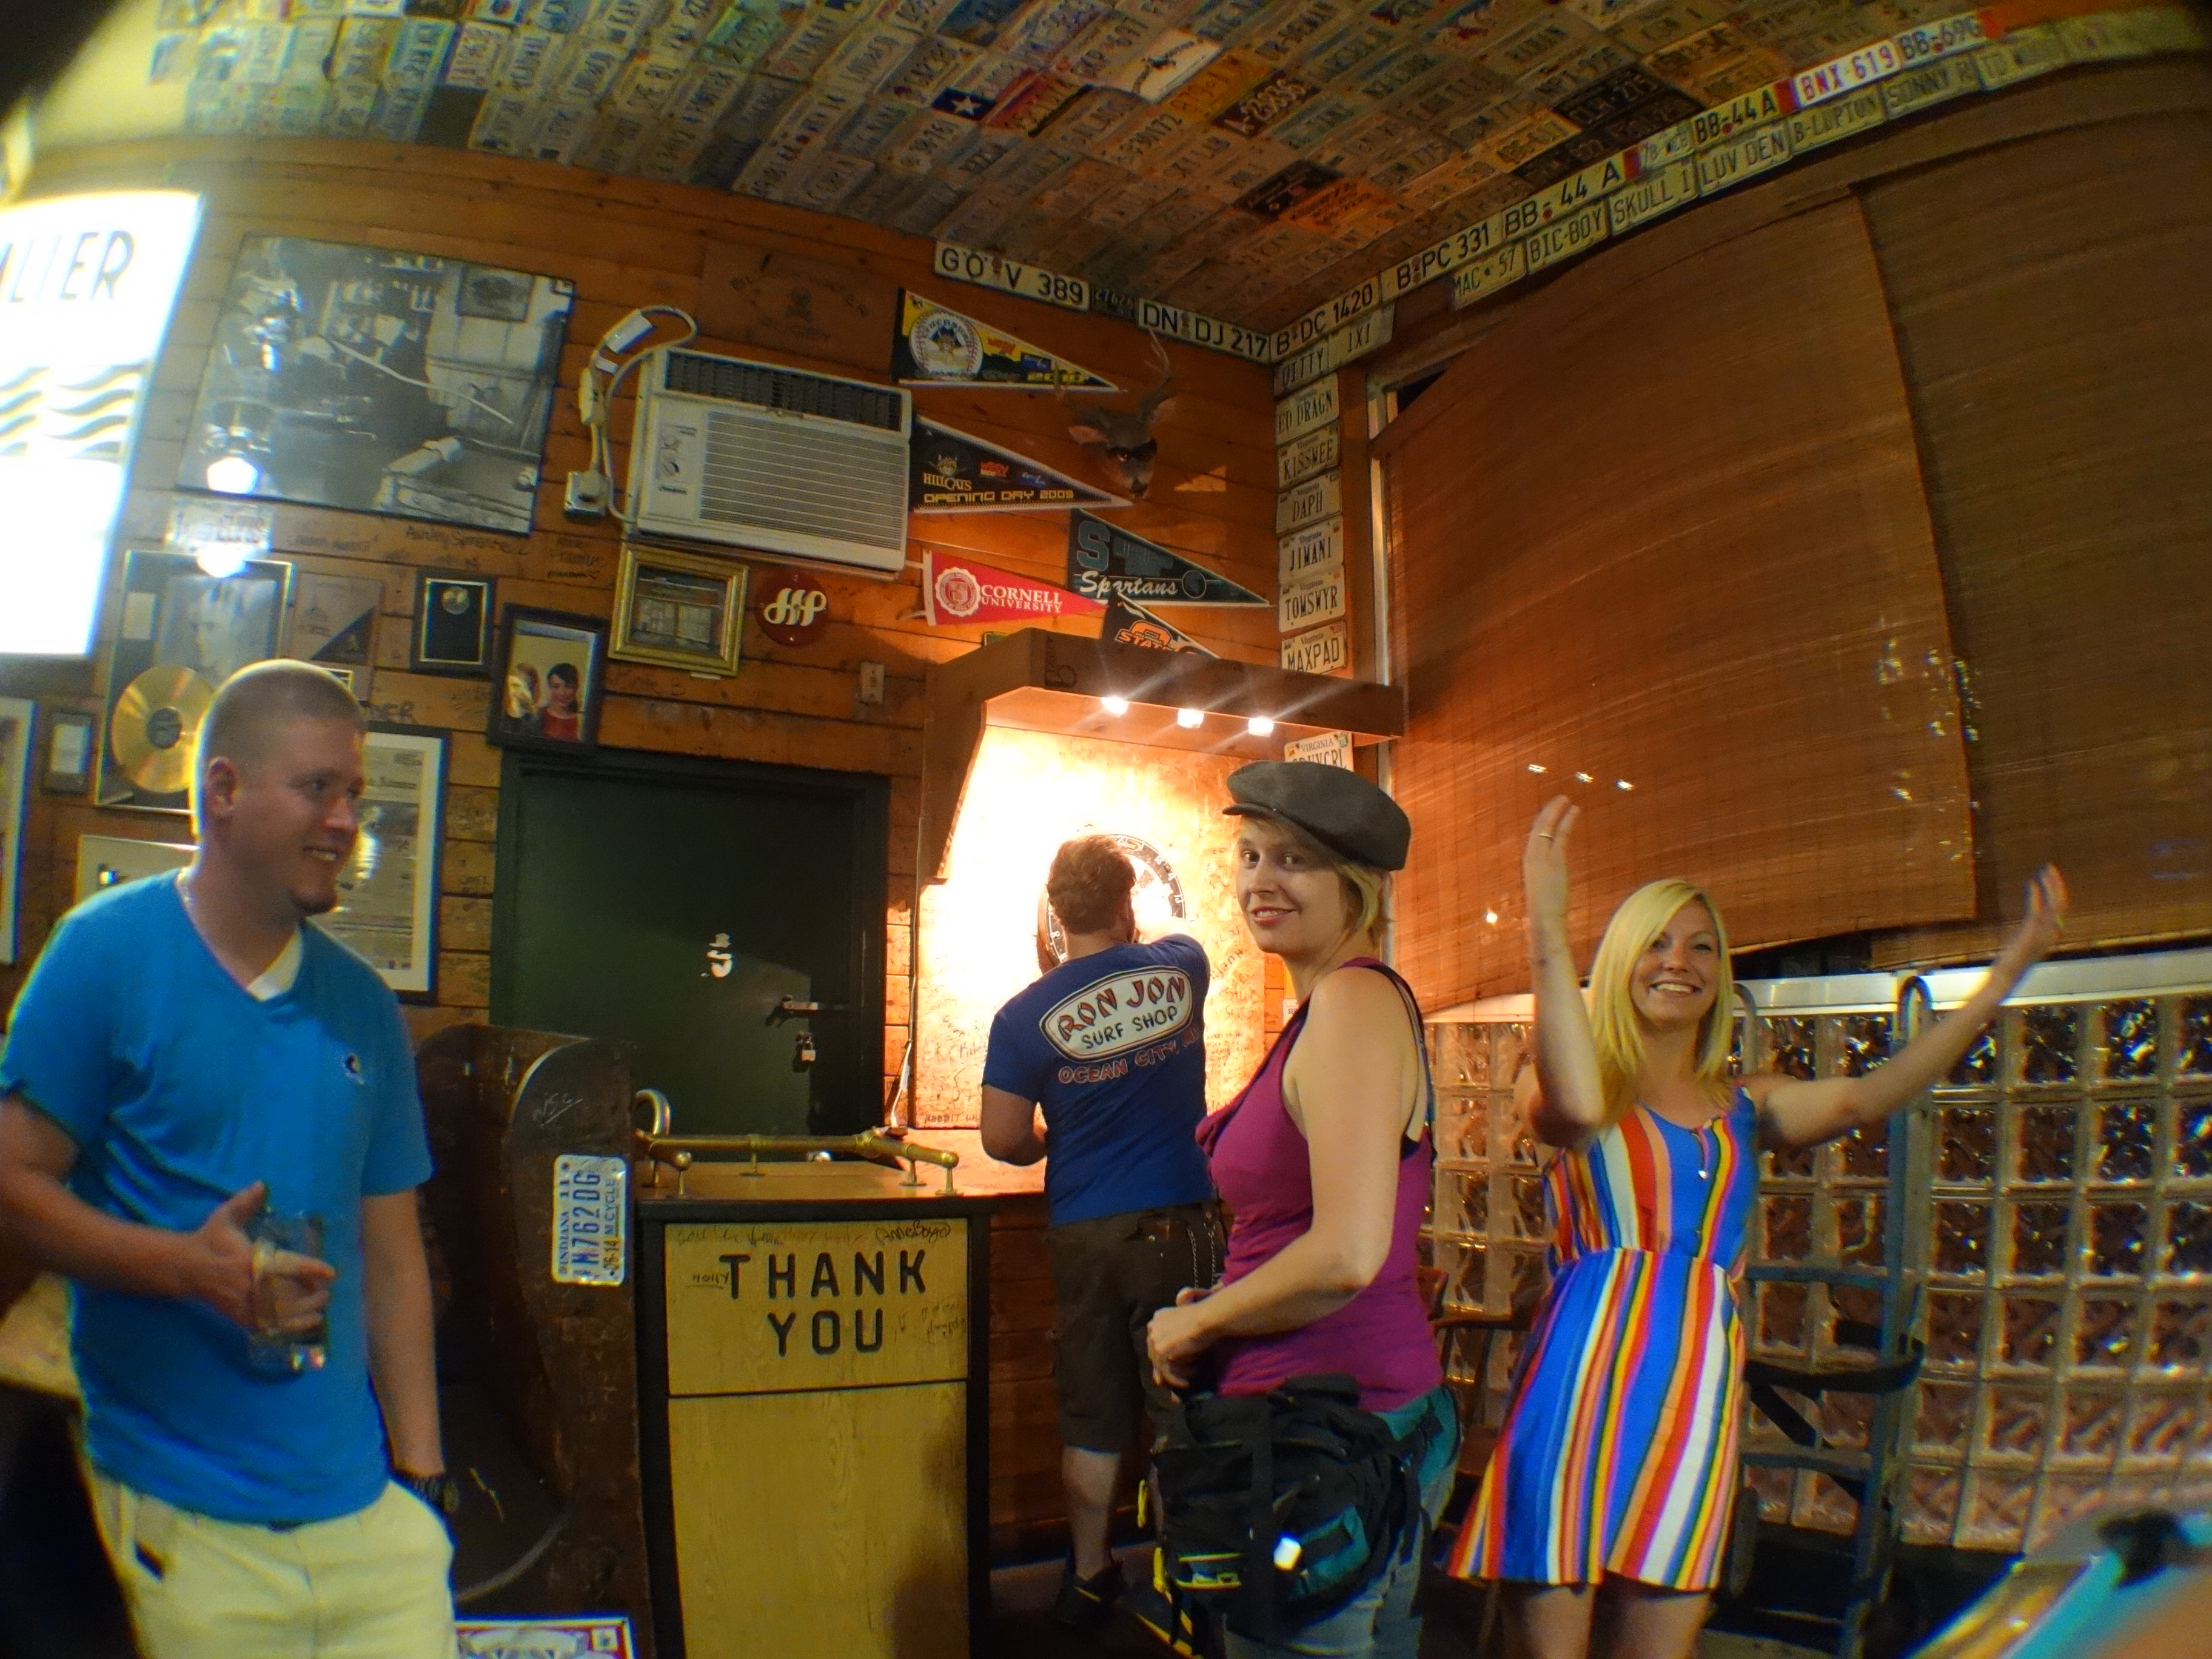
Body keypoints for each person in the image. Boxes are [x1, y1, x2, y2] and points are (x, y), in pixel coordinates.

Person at [1449, 796, 2068, 1659]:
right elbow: (1580, 1109)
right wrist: (1547, 928)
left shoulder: (1748, 1102)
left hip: (1695, 1395)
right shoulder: (1551, 1078)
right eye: (1656, 942)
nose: (1679, 962)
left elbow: (1869, 1098)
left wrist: (2005, 979)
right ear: (1620, 960)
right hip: (1577, 1387)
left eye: (1702, 946)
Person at [0, 660, 457, 1659]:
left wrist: (423, 1483)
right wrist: (187, 1270)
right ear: (223, 790)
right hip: (183, 1524)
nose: (345, 821)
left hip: (369, 1527)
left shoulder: (364, 1007)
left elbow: (393, 1256)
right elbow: (10, 1187)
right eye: (318, 787)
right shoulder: (104, 953)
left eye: (354, 794)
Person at [1146, 762, 1460, 1659]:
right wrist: (1221, 1312)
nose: (1261, 880)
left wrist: (1195, 1325)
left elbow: (1348, 1253)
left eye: (1294, 860)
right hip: (1342, 1424)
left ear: (1356, 886)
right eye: (1250, 854)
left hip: (1329, 1439)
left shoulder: (1354, 1002)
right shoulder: (1329, 1006)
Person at [980, 834, 1222, 1628]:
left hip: (1083, 1229)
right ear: (1127, 900)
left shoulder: (1022, 1017)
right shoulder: (1183, 964)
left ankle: (1087, 1579)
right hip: (1177, 1224)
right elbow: (1161, 949)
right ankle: (1193, 1585)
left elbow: (1001, 1138)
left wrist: (1047, 1144)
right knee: (1185, 1410)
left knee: (1093, 1414)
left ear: (1055, 914)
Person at [538, 662, 582, 742]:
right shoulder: (537, 717)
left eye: (568, 687)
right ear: (549, 687)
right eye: (556, 687)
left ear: (576, 688)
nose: (562, 693)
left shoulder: (582, 722)